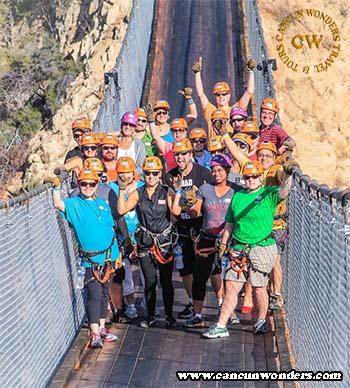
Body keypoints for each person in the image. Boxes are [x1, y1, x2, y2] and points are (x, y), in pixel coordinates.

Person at [202, 160, 294, 339]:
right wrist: (223, 245)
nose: (250, 179)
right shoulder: (238, 197)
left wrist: (288, 174)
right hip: (238, 248)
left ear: (261, 177)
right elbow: (230, 223)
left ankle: (260, 321)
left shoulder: (269, 193)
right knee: (231, 287)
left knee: (259, 287)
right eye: (247, 177)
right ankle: (221, 325)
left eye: (254, 176)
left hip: (261, 246)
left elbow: (284, 190)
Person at [51, 168, 120, 348]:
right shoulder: (74, 204)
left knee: (105, 292)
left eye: (91, 184)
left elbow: (110, 229)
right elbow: (58, 204)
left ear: (97, 185)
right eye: (83, 184)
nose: (88, 187)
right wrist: (56, 188)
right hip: (91, 260)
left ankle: (102, 327)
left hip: (108, 256)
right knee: (94, 295)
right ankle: (94, 332)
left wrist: (117, 253)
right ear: (79, 185)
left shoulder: (103, 205)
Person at [117, 156, 178, 328]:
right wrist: (122, 190)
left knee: (166, 281)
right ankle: (150, 315)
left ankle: (169, 316)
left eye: (154, 173)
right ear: (143, 174)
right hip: (145, 242)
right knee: (150, 280)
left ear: (160, 174)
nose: (151, 176)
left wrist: (179, 193)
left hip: (164, 242)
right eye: (147, 173)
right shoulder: (138, 193)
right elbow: (121, 209)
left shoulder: (167, 192)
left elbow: (176, 212)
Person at [183, 154, 239, 327]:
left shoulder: (236, 190)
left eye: (220, 170)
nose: (216, 173)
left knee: (231, 279)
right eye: (214, 170)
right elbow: (196, 213)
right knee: (200, 277)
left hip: (229, 240)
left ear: (227, 171)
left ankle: (230, 312)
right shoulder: (205, 189)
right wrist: (189, 204)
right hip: (207, 239)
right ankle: (197, 314)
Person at [165, 139, 214, 319]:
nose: (180, 158)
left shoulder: (203, 173)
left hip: (202, 227)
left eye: (184, 153)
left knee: (213, 269)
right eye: (177, 154)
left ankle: (224, 304)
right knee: (185, 269)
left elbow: (213, 198)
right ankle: (194, 304)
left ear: (190, 154)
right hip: (183, 228)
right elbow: (173, 210)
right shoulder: (170, 176)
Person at [108, 156, 144, 320]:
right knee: (126, 274)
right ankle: (130, 305)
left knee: (147, 273)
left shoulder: (142, 187)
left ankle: (147, 302)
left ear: (133, 172)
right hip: (122, 237)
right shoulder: (111, 188)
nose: (124, 176)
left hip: (141, 235)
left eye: (127, 172)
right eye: (121, 173)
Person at [192, 56, 256, 138]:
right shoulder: (211, 111)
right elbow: (201, 94)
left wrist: (251, 71)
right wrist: (197, 74)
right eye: (218, 94)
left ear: (229, 95)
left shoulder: (236, 109)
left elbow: (249, 92)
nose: (221, 97)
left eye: (224, 94)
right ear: (215, 97)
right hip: (214, 148)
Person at [117, 112, 146, 177]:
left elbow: (141, 167)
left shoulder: (139, 145)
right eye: (125, 124)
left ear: (135, 127)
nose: (127, 127)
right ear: (121, 125)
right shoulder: (115, 142)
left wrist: (128, 173)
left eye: (131, 125)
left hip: (133, 178)